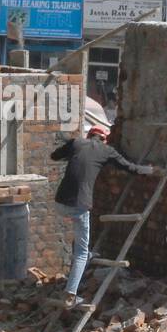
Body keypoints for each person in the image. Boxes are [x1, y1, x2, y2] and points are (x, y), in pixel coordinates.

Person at [51, 125, 160, 308]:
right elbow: (131, 168)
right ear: (104, 139)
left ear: (89, 135)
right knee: (81, 253)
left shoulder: (76, 142)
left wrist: (71, 153)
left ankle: (87, 255)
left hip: (60, 202)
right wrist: (150, 170)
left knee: (82, 246)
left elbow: (54, 156)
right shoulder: (106, 150)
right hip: (79, 206)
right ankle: (70, 294)